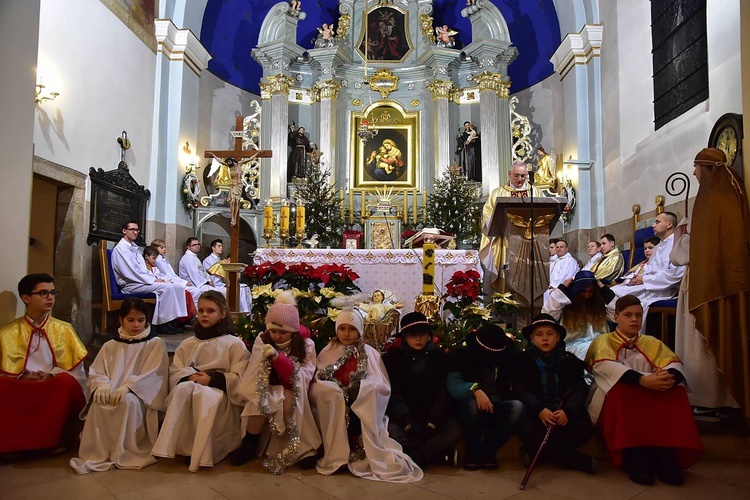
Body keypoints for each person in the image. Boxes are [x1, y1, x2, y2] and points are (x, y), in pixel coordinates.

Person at [585, 295, 703, 485]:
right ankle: (635, 459)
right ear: (616, 317)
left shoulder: (652, 342)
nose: (634, 319)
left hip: (650, 391)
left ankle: (666, 459)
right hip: (615, 397)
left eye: (638, 315)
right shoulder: (603, 341)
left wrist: (667, 379)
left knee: (676, 392)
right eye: (628, 315)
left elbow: (674, 364)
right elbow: (605, 368)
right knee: (623, 392)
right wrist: (643, 380)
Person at [670, 147, 749, 419]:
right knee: (722, 332)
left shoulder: (708, 200)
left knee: (698, 343)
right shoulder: (731, 196)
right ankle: (725, 396)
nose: (694, 173)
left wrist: (681, 233)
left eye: (697, 168)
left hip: (703, 284)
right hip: (725, 283)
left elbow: (682, 256)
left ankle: (706, 397)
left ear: (707, 169)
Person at [310, 309, 422, 482]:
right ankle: (336, 456)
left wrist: (363, 387)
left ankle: (363, 450)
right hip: (335, 399)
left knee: (368, 393)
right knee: (329, 395)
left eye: (352, 329)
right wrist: (333, 389)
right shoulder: (327, 351)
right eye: (343, 328)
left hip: (359, 399)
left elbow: (381, 383)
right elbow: (317, 380)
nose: (346, 334)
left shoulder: (368, 352)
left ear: (359, 331)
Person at [151, 291, 250, 472]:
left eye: (211, 311)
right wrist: (189, 376)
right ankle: (182, 447)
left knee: (204, 396)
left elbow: (240, 377)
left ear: (222, 313)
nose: (204, 315)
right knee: (183, 391)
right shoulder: (188, 343)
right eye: (201, 310)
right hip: (192, 382)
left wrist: (213, 379)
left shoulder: (234, 344)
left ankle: (204, 452)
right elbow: (175, 370)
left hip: (220, 390)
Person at [70, 298, 168, 473]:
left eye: (141, 320)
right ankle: (99, 452)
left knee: (127, 402)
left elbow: (154, 374)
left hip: (139, 396)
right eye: (130, 320)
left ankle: (125, 451)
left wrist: (128, 387)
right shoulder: (110, 345)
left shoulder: (155, 344)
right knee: (99, 403)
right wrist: (102, 385)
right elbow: (98, 371)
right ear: (121, 320)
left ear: (147, 320)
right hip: (112, 390)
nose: (136, 325)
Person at [230, 291, 322, 473]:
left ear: (293, 331)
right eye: (273, 331)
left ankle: (301, 447)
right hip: (267, 386)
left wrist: (279, 360)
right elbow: (254, 372)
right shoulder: (262, 340)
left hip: (294, 390)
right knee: (259, 398)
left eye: (283, 332)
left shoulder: (306, 345)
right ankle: (250, 441)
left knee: (289, 400)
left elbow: (302, 378)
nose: (277, 336)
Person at [0, 274, 87, 454]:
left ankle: (50, 444)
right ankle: (12, 447)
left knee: (63, 383)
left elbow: (78, 374)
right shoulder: (7, 333)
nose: (50, 297)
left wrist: (50, 375)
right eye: (43, 293)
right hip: (23, 386)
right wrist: (24, 376)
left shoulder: (64, 329)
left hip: (52, 385)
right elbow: (5, 371)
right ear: (26, 298)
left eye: (53, 292)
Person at [512, 314, 595, 474]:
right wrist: (539, 409)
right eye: (539, 334)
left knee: (584, 428)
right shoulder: (522, 360)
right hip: (536, 413)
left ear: (557, 337)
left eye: (550, 334)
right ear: (531, 338)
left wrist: (567, 411)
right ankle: (578, 461)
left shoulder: (569, 360)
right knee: (528, 429)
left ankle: (537, 453)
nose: (545, 339)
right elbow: (520, 390)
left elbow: (579, 388)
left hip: (562, 412)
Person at [382, 312, 461, 469]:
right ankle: (437, 455)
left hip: (432, 414)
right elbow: (392, 392)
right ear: (404, 337)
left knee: (455, 429)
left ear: (429, 336)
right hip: (404, 416)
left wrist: (433, 421)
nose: (418, 339)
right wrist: (406, 421)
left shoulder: (439, 357)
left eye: (422, 335)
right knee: (390, 432)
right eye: (413, 335)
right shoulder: (392, 358)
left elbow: (443, 392)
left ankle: (414, 458)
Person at [446, 324, 525, 470]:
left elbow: (518, 387)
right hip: (468, 408)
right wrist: (475, 389)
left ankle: (489, 451)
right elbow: (454, 385)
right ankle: (473, 453)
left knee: (517, 407)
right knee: (471, 405)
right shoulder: (461, 356)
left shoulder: (509, 359)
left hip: (497, 404)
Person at [611, 213, 685, 331]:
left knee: (615, 295)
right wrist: (637, 278)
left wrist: (644, 279)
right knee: (612, 292)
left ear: (669, 224)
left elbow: (675, 275)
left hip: (663, 289)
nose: (653, 226)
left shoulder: (678, 245)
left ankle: (627, 332)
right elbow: (649, 268)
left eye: (657, 222)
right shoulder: (659, 246)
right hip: (649, 285)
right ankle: (620, 329)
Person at [111, 220, 188, 333]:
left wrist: (154, 278)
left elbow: (142, 269)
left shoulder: (135, 249)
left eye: (137, 230)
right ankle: (163, 324)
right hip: (131, 285)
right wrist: (153, 280)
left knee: (177, 286)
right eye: (132, 229)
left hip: (141, 281)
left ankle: (175, 322)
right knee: (167, 288)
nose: (135, 232)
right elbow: (130, 273)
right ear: (124, 231)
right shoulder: (121, 250)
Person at [479, 162, 543, 291]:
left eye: (523, 176)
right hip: (505, 241)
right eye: (516, 175)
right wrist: (497, 218)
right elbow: (487, 215)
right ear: (510, 174)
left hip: (529, 240)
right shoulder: (498, 193)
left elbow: (543, 212)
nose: (520, 179)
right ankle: (504, 300)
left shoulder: (535, 191)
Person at [543, 271, 616, 361]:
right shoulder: (566, 306)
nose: (587, 295)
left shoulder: (599, 306)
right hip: (574, 347)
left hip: (600, 344)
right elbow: (548, 315)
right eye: (583, 291)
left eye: (590, 291)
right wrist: (562, 288)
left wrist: (605, 290)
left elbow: (616, 316)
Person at [143, 246, 198, 320]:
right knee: (172, 290)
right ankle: (167, 320)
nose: (155, 261)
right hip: (149, 285)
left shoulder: (154, 266)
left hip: (160, 283)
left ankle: (181, 319)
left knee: (181, 290)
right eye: (153, 258)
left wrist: (162, 280)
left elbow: (162, 275)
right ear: (146, 256)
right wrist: (155, 280)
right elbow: (144, 276)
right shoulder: (143, 265)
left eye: (156, 258)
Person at [201, 238, 253, 313]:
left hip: (223, 282)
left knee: (245, 288)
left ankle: (246, 311)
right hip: (215, 284)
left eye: (222, 246)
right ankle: (239, 311)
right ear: (213, 248)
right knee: (238, 290)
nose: (221, 248)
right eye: (219, 246)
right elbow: (209, 273)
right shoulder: (208, 260)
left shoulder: (221, 259)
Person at [179, 237, 223, 307]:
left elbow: (203, 272)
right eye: (194, 245)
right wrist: (207, 282)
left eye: (198, 244)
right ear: (188, 247)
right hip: (194, 284)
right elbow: (194, 274)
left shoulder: (194, 257)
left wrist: (209, 280)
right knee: (218, 293)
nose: (197, 246)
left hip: (201, 282)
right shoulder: (187, 258)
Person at [544, 239, 580, 304]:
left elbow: (565, 277)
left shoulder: (569, 261)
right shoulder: (557, 260)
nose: (559, 249)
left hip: (559, 291)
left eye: (561, 247)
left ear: (567, 249)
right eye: (557, 247)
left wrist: (555, 288)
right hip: (551, 289)